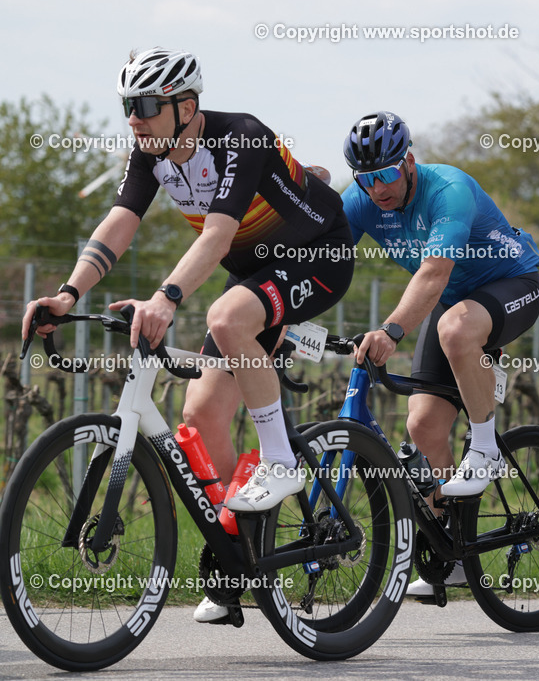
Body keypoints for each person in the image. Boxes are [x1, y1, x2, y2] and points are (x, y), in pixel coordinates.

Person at [21, 48, 355, 623]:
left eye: (146, 105)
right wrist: (67, 294)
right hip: (257, 271)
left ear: (187, 106)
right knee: (199, 415)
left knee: (226, 319)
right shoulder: (151, 152)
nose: (134, 117)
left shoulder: (241, 137)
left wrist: (166, 297)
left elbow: (218, 237)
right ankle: (238, 558)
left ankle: (280, 460)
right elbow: (120, 221)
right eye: (128, 104)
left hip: (318, 254)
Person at [340, 111, 539, 596]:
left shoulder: (448, 189)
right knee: (423, 426)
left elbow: (432, 274)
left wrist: (391, 330)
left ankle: (486, 446)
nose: (378, 188)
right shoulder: (363, 200)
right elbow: (325, 259)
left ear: (408, 161)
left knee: (455, 329)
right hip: (455, 304)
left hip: (513, 286)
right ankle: (453, 551)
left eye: (387, 173)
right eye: (366, 179)